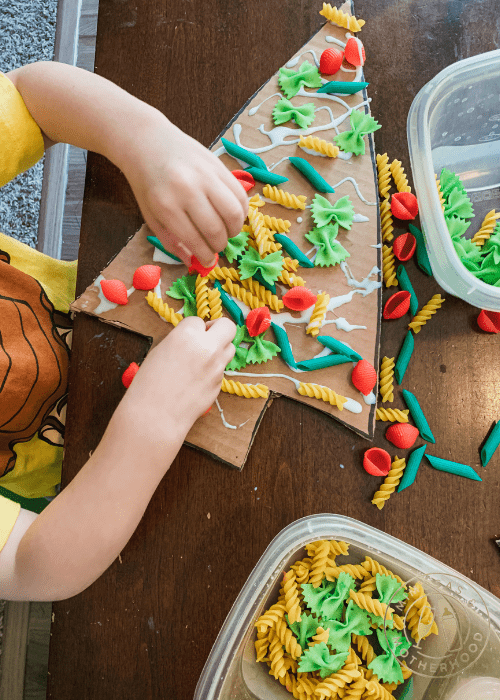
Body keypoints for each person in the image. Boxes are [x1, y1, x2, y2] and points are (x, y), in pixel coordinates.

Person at [0, 61, 247, 601]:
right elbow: (30, 566)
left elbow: (29, 98)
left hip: (115, 320)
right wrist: (151, 423)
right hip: (93, 481)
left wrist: (145, 139)